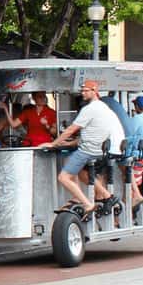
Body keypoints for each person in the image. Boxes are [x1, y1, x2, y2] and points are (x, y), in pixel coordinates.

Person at [41, 80, 124, 217]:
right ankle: (107, 196)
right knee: (82, 174)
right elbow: (91, 132)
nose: (83, 93)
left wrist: (53, 144)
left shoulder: (89, 109)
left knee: (63, 177)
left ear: (94, 91)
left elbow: (71, 129)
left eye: (86, 91)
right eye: (82, 91)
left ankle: (87, 203)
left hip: (87, 151)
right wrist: (68, 144)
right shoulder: (104, 107)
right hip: (100, 151)